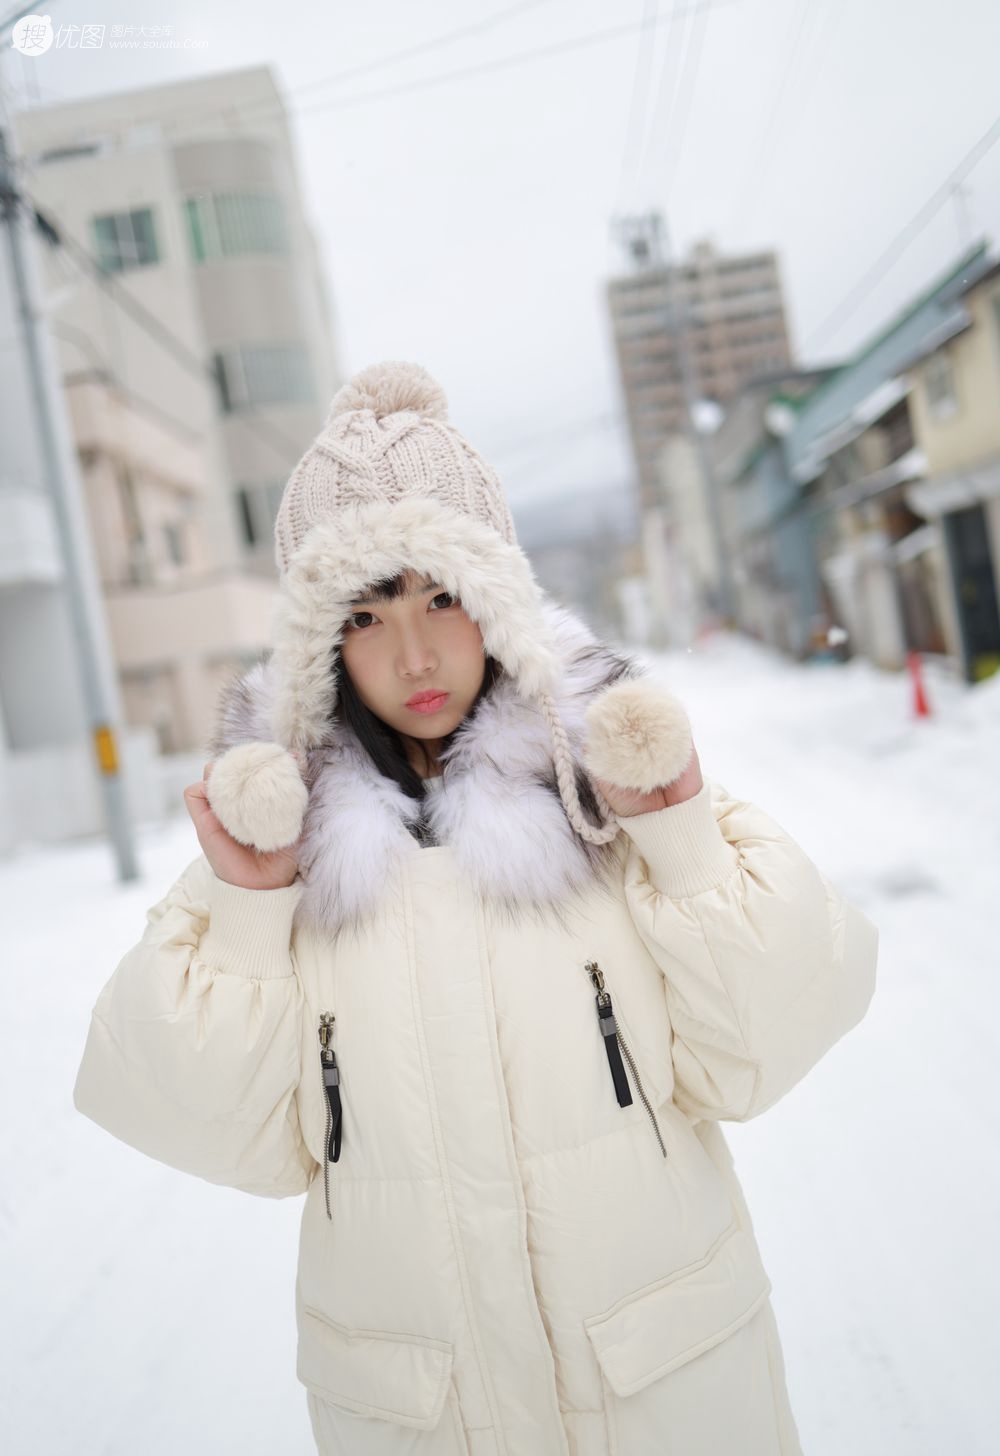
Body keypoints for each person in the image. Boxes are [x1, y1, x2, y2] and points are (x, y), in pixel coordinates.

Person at [73, 361, 879, 1456]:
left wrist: (683, 841)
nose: (412, 653)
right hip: (425, 1417)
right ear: (321, 648)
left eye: (442, 596)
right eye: (365, 614)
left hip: (665, 1393)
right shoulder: (282, 855)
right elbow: (205, 1124)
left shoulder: (605, 796)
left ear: (499, 602)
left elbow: (772, 1038)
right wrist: (247, 913)